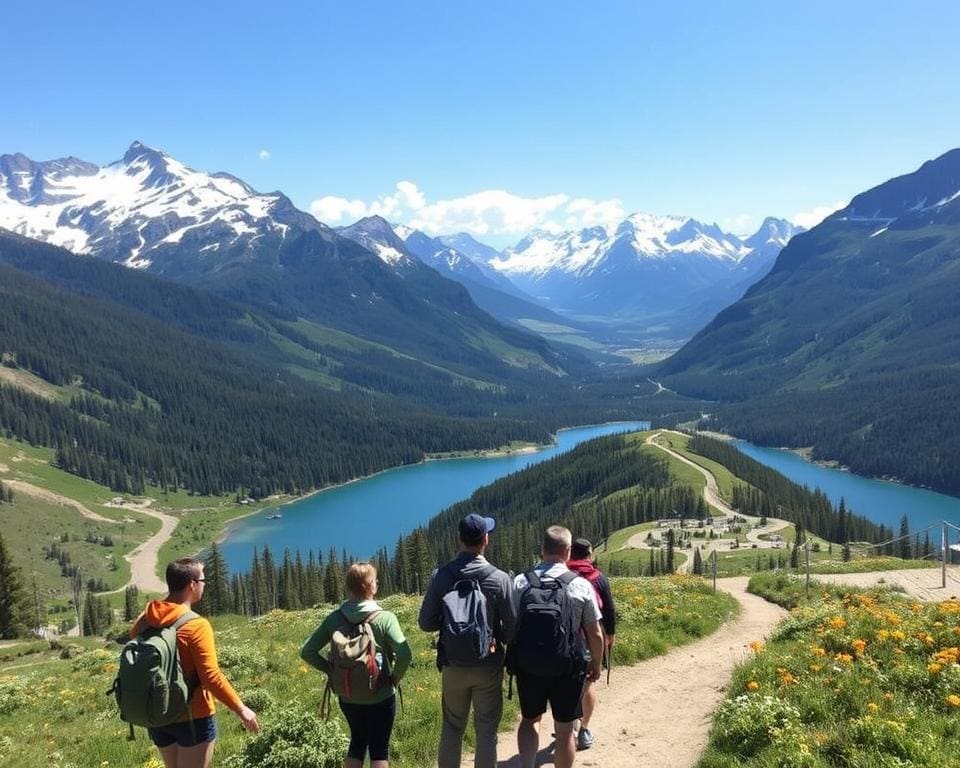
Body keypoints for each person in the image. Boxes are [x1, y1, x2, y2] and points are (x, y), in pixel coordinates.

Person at [129, 557, 260, 768]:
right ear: (192, 584)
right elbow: (211, 677)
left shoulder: (146, 618)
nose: (204, 584)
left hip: (158, 713)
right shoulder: (196, 625)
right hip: (194, 716)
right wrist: (241, 709)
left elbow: (133, 636)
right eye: (202, 579)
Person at [418, 513, 517, 768]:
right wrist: (497, 638)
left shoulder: (441, 576)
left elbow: (425, 622)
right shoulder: (499, 578)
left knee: (452, 727)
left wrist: (452, 625)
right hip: (488, 663)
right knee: (486, 730)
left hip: (452, 663)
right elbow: (513, 626)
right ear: (485, 539)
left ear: (459, 540)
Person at [301, 562, 412, 768]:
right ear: (372, 586)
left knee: (357, 743)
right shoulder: (385, 618)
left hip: (348, 694)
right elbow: (405, 653)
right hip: (381, 694)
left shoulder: (334, 618)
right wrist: (394, 678)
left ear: (348, 588)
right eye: (375, 581)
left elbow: (306, 651)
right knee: (379, 749)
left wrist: (330, 669)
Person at [511, 526, 604, 768]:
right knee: (564, 732)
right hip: (567, 666)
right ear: (568, 551)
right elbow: (594, 633)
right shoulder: (580, 585)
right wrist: (595, 663)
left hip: (529, 664)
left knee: (530, 720)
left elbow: (511, 624)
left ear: (542, 549)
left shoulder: (521, 582)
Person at [566, 537, 617, 751]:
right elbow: (609, 610)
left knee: (567, 682)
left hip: (565, 639)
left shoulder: (564, 574)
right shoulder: (598, 578)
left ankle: (569, 725)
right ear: (589, 554)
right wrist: (610, 635)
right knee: (588, 682)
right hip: (590, 638)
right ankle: (584, 729)